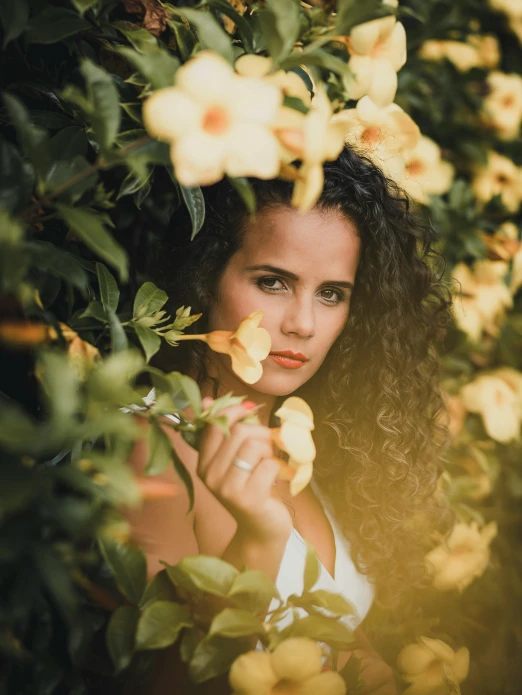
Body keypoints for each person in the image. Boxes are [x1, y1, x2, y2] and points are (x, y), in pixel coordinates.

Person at [127, 147, 453, 694]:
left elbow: (343, 642)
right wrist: (257, 543)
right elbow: (156, 680)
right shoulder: (151, 445)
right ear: (207, 276)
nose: (303, 324)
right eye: (273, 281)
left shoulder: (309, 450)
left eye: (332, 294)